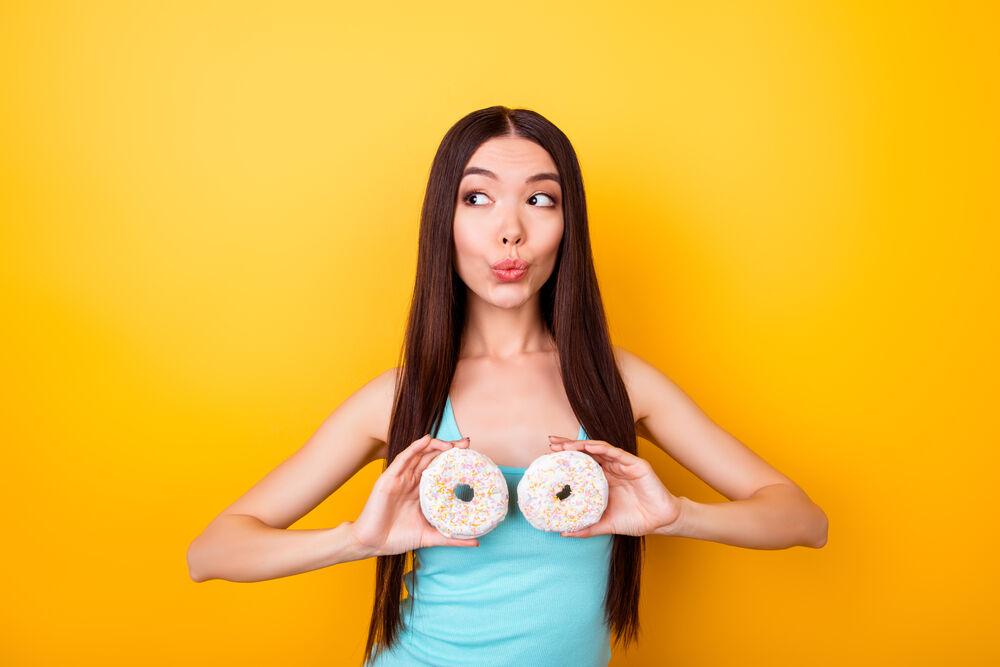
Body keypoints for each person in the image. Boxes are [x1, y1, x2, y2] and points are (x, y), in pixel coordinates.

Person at [186, 106, 828, 667]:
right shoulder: (402, 398)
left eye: (541, 199)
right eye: (478, 198)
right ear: (445, 220)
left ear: (567, 224)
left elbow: (803, 519)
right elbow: (211, 553)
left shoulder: (617, 383)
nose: (511, 229)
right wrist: (356, 539)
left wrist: (676, 518)